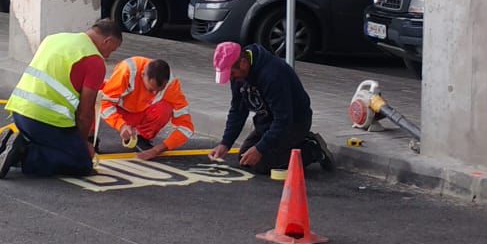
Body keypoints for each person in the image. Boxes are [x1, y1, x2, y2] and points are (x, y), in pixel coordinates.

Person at [0, 20, 125, 178]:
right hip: (45, 120)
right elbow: (84, 113)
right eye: (111, 50)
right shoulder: (94, 61)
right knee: (81, 163)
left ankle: (11, 146)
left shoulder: (54, 38)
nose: (107, 56)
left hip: (19, 112)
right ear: (107, 41)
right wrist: (83, 144)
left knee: (58, 145)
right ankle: (23, 155)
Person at [208, 41, 332, 174]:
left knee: (262, 163)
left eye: (232, 74)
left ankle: (311, 149)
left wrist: (260, 148)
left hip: (294, 122)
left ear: (243, 63)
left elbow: (283, 119)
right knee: (245, 158)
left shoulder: (272, 75)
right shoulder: (238, 76)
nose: (231, 78)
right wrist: (225, 143)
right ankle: (291, 147)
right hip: (267, 120)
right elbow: (238, 110)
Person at [97, 56, 196, 161]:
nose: (154, 93)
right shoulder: (127, 70)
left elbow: (186, 127)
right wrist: (121, 125)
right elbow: (105, 103)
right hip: (120, 111)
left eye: (159, 90)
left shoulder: (172, 86)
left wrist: (157, 150)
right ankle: (88, 140)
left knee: (165, 109)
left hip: (139, 113)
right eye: (151, 89)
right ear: (142, 74)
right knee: (91, 97)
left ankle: (141, 138)